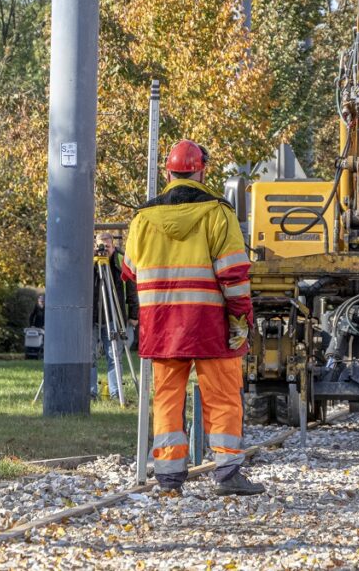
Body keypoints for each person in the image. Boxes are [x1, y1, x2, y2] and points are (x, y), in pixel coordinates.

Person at [122, 139, 263, 496]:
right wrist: (240, 320)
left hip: (162, 325)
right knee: (222, 397)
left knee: (168, 398)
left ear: (168, 173)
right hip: (209, 323)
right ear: (202, 170)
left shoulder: (142, 218)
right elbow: (233, 275)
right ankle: (228, 473)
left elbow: (131, 271)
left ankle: (169, 477)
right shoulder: (218, 213)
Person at [91, 232, 139, 401]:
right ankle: (91, 393)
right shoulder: (89, 261)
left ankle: (116, 392)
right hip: (93, 317)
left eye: (107, 246)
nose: (103, 250)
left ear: (113, 246)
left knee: (115, 356)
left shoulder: (121, 261)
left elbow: (133, 288)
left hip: (113, 316)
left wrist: (134, 314)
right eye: (100, 246)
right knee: (90, 355)